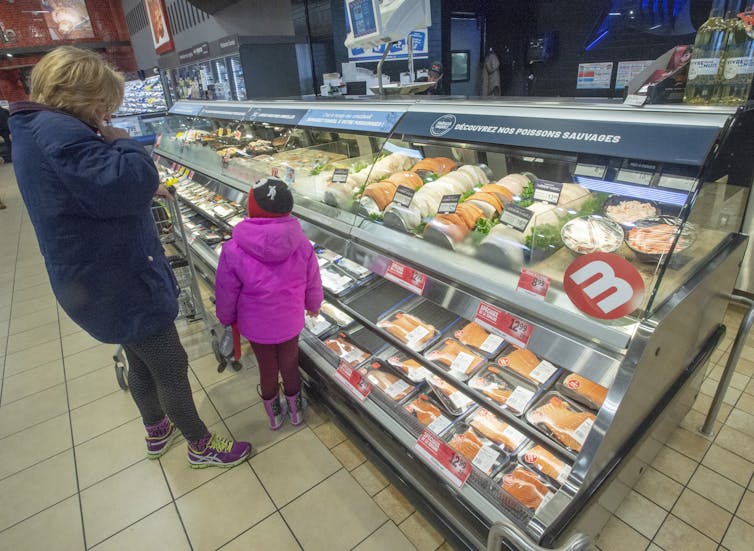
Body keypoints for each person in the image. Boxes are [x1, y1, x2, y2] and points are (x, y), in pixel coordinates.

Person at [8, 46, 251, 468]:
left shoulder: (33, 129)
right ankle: (201, 445)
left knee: (139, 359)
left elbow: (90, 193)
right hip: (119, 280)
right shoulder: (63, 135)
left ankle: (157, 430)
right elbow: (127, 183)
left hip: (92, 279)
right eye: (103, 103)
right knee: (171, 364)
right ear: (79, 94)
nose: (106, 114)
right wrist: (126, 148)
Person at [214, 178, 323, 429]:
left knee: (267, 369)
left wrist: (226, 316)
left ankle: (274, 415)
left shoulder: (233, 249)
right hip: (290, 320)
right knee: (289, 364)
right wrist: (313, 304)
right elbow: (313, 280)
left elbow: (226, 290)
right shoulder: (302, 243)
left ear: (252, 208)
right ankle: (296, 412)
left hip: (256, 325)